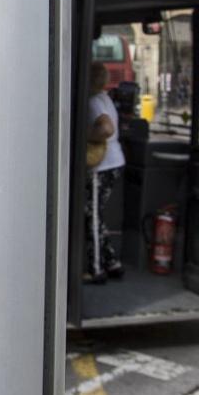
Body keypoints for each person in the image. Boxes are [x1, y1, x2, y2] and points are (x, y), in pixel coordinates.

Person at [85, 63, 125, 283]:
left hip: (102, 166)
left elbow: (106, 129)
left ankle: (96, 268)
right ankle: (111, 261)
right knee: (94, 214)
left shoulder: (92, 102)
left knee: (92, 216)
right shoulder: (104, 98)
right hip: (113, 163)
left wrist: (86, 136)